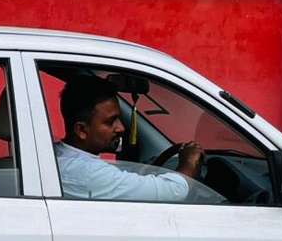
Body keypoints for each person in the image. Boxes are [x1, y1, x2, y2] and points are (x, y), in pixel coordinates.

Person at [54, 77, 204, 201]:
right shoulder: (88, 172)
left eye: (119, 119)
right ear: (81, 130)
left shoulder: (59, 156)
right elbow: (174, 190)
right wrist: (190, 162)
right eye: (110, 122)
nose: (121, 128)